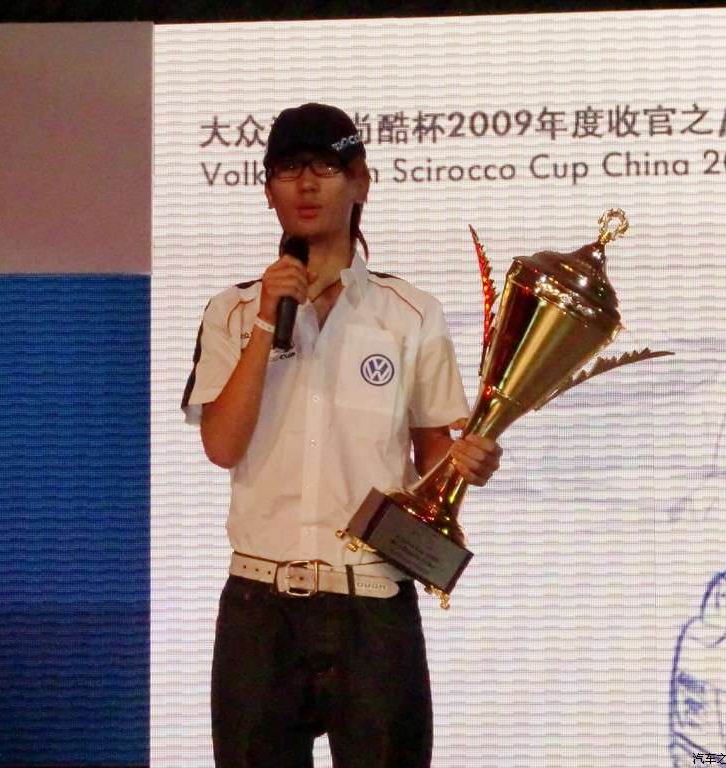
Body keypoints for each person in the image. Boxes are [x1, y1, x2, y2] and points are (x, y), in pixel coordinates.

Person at [182, 102, 502, 768]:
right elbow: (221, 446)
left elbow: (431, 454)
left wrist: (464, 464)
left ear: (360, 183)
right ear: (268, 190)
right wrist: (267, 321)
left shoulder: (409, 312)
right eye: (288, 169)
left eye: (325, 168)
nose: (306, 184)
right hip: (259, 606)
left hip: (372, 603)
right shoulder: (232, 310)